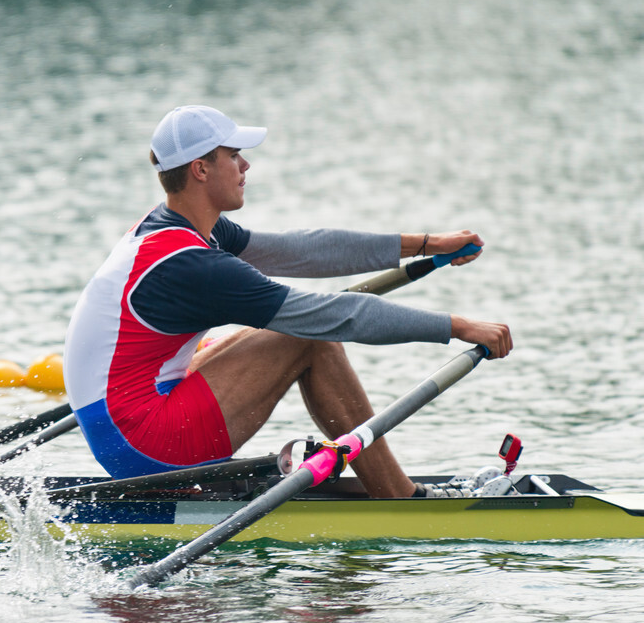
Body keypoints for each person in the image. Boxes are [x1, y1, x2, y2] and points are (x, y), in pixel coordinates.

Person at [62, 105, 513, 497]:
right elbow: (335, 318)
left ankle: (383, 484)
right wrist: (458, 327)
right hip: (144, 443)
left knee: (275, 329)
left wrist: (427, 243)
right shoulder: (192, 265)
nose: (245, 166)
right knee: (308, 339)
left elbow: (302, 250)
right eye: (233, 156)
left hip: (125, 423)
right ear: (200, 169)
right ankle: (400, 496)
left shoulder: (175, 226)